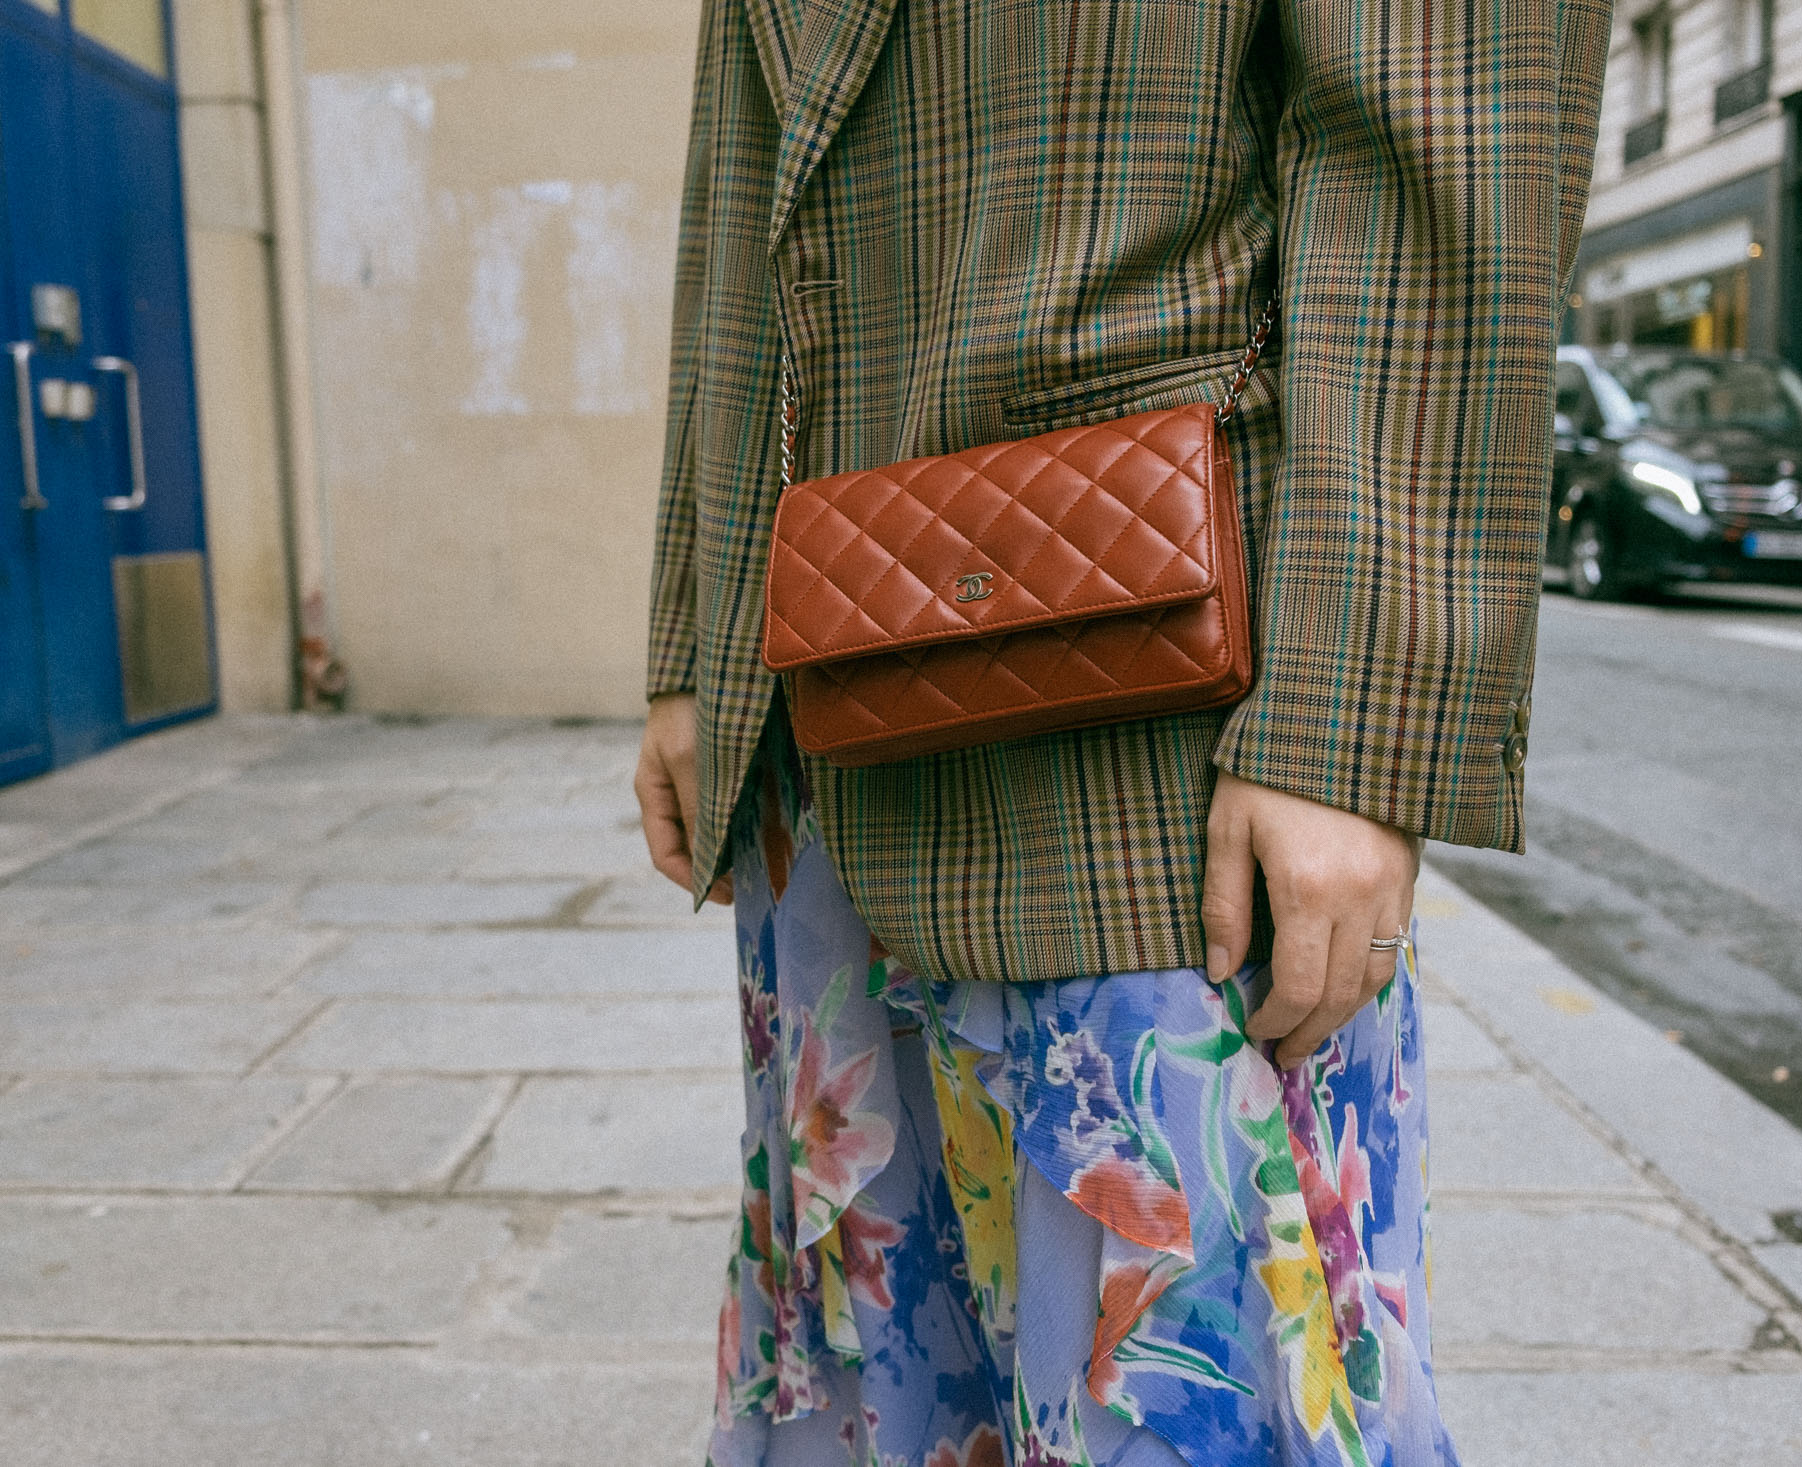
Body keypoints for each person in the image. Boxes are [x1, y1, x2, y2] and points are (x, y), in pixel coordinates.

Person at [635, 0, 1606, 1459]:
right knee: (879, 1379)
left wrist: (1348, 723)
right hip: (821, 689)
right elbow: (743, 169)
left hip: (1151, 707)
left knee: (1188, 1386)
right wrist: (695, 632)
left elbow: (1441, 127)